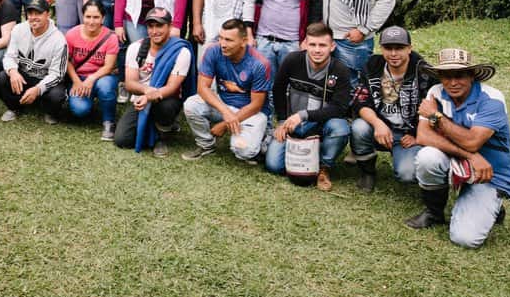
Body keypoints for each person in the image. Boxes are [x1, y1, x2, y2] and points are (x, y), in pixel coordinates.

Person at [406, 48, 510, 249]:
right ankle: (434, 212)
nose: (452, 82)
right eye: (446, 76)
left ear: (472, 75)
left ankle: (491, 204)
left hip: (489, 172)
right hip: (463, 160)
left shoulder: (492, 98)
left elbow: (473, 142)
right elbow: (423, 136)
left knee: (465, 238)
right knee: (427, 157)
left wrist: (437, 117)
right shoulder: (435, 92)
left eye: (459, 75)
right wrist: (470, 156)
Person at [264, 22, 352, 191]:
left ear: (332, 46)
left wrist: (304, 115)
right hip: (292, 124)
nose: (317, 50)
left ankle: (323, 168)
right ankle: (305, 153)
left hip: (319, 124)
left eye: (322, 45)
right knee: (273, 166)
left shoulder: (340, 70)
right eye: (312, 44)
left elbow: (340, 108)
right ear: (304, 44)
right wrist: (282, 121)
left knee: (340, 128)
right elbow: (278, 89)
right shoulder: (292, 60)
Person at [351, 26, 436, 192]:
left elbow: (435, 111)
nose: (393, 53)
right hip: (380, 128)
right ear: (381, 48)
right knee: (358, 128)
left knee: (407, 175)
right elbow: (360, 101)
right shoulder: (373, 65)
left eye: (399, 48)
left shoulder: (425, 72)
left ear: (409, 49)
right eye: (388, 48)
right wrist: (377, 123)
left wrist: (418, 135)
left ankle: (407, 157)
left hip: (408, 134)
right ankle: (367, 172)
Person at [182, 19, 271, 163]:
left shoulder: (260, 63)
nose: (223, 44)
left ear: (243, 41)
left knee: (243, 152)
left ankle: (262, 138)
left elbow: (256, 105)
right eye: (221, 38)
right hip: (225, 105)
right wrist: (226, 113)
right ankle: (206, 145)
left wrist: (224, 125)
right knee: (191, 104)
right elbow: (202, 87)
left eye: (228, 40)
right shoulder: (213, 50)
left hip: (251, 113)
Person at [114, 7, 193, 156]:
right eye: (151, 26)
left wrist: (150, 96)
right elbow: (130, 83)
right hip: (141, 98)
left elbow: (172, 86)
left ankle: (162, 136)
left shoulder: (181, 51)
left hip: (166, 98)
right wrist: (146, 91)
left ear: (170, 27)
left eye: (160, 25)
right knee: (122, 140)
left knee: (166, 107)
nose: (154, 31)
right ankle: (151, 126)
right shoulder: (136, 48)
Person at [0, 0, 68, 124]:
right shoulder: (18, 29)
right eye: (30, 13)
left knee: (57, 95)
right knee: (1, 78)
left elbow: (58, 74)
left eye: (38, 13)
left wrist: (38, 89)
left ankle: (50, 111)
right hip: (24, 76)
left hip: (44, 78)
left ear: (48, 14)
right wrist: (13, 72)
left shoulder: (59, 40)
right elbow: (9, 56)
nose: (33, 17)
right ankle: (14, 107)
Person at [65, 0, 120, 140]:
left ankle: (109, 122)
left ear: (103, 18)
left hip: (102, 76)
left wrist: (91, 78)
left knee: (106, 86)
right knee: (80, 110)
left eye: (96, 17)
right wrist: (76, 81)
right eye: (88, 17)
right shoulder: (72, 34)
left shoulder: (111, 37)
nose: (91, 21)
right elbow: (66, 61)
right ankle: (87, 101)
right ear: (83, 16)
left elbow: (108, 66)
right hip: (79, 77)